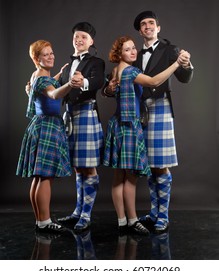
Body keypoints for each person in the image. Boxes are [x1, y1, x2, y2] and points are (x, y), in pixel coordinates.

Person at [102, 36, 188, 235]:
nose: (133, 52)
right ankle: (132, 220)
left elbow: (107, 90)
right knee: (130, 177)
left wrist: (108, 89)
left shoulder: (115, 71)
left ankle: (121, 221)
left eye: (134, 48)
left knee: (117, 177)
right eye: (127, 50)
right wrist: (176, 63)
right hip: (130, 126)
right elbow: (154, 81)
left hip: (116, 125)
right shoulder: (131, 71)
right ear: (119, 54)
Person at [16, 40, 76, 234]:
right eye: (45, 55)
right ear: (36, 59)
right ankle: (45, 221)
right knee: (45, 177)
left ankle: (40, 220)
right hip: (47, 128)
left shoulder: (37, 76)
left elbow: (48, 85)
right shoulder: (42, 79)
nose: (51, 56)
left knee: (39, 177)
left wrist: (59, 74)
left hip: (39, 125)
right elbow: (53, 94)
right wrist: (69, 83)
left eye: (51, 53)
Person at [57, 22, 105, 232]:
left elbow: (98, 82)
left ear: (91, 41)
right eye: (76, 36)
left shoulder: (96, 62)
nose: (79, 39)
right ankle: (78, 211)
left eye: (83, 37)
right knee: (77, 166)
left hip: (86, 113)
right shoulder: (68, 66)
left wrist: (83, 81)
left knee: (89, 166)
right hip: (70, 116)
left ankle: (86, 215)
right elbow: (59, 89)